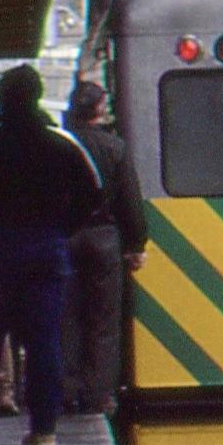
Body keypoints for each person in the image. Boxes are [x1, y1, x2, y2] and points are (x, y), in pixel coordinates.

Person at [0, 64, 101, 445]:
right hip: (47, 249)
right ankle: (44, 428)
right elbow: (93, 194)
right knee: (44, 341)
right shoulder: (61, 142)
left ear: (1, 98)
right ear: (38, 95)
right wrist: (61, 228)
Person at [58, 81, 146, 417]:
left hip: (65, 237)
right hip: (104, 238)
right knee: (104, 321)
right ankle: (98, 395)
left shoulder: (60, 144)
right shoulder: (115, 147)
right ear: (99, 109)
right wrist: (136, 244)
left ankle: (67, 390)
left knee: (67, 316)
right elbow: (130, 200)